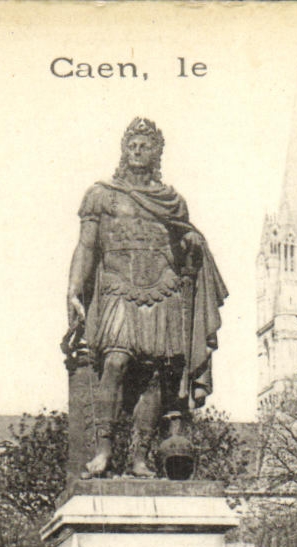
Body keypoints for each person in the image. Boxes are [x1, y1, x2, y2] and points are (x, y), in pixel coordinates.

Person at [65, 117, 227, 478]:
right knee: (116, 363)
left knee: (154, 376)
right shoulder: (101, 194)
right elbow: (86, 246)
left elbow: (184, 240)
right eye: (132, 145)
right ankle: (104, 450)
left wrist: (192, 240)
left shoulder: (172, 201)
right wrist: (74, 288)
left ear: (157, 153)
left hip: (162, 289)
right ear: (124, 151)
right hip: (118, 286)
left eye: (145, 146)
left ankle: (139, 457)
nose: (137, 151)